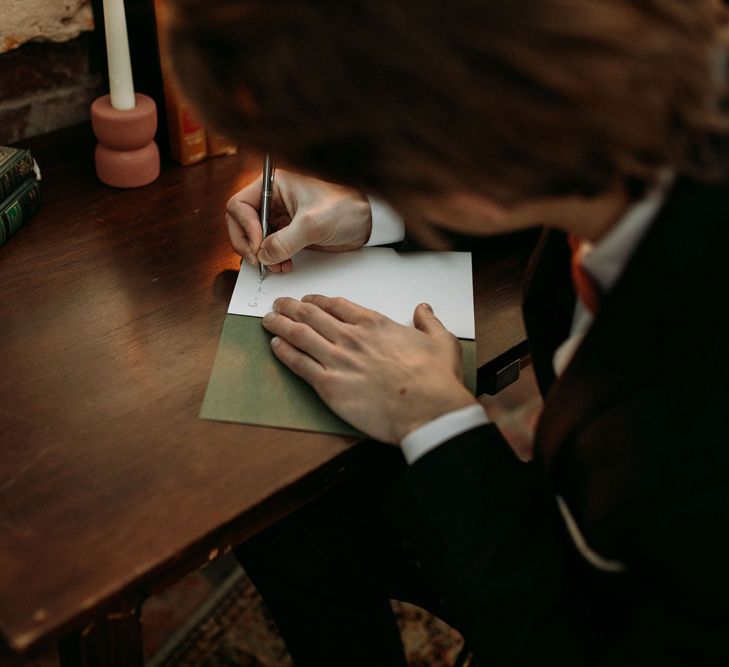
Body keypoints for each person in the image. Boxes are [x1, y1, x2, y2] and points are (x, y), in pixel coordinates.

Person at [167, 1, 729, 664]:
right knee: (280, 514)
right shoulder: (634, 100)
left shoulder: (692, 423)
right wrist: (368, 212)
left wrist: (436, 418)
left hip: (588, 601)